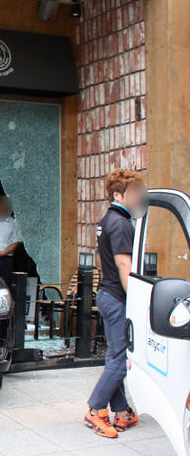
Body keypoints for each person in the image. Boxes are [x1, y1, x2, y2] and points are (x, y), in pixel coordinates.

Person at [84, 168, 147, 438]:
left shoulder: (108, 219)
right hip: (117, 297)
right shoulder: (121, 223)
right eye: (135, 192)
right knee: (120, 360)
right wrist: (135, 299)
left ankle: (121, 412)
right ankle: (96, 409)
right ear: (118, 194)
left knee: (115, 357)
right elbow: (123, 263)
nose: (139, 197)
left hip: (108, 295)